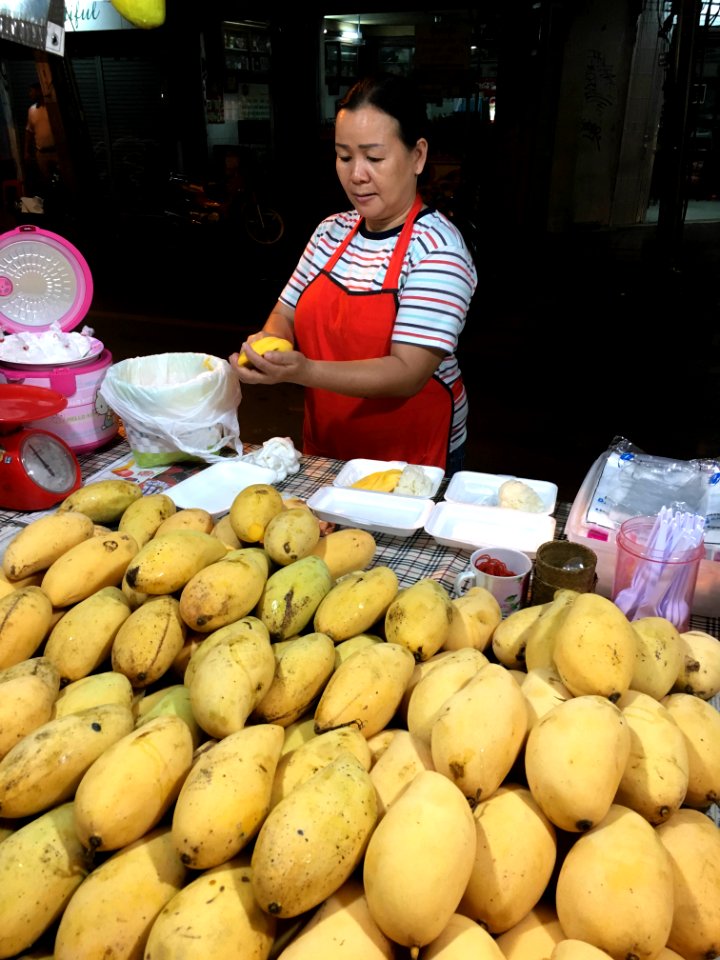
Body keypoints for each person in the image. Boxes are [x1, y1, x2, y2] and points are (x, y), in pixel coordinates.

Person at [229, 74, 477, 473]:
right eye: (345, 156)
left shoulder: (438, 249)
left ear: (417, 156)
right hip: (328, 448)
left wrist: (305, 371)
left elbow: (407, 373)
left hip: (411, 460)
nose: (357, 174)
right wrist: (268, 347)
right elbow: (286, 313)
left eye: (374, 158)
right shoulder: (330, 231)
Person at [24, 82, 57, 197]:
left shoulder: (52, 107)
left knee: (62, 181)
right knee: (47, 183)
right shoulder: (31, 110)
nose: (30, 94)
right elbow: (29, 131)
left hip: (56, 152)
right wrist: (26, 151)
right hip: (42, 154)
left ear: (39, 91)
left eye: (31, 91)